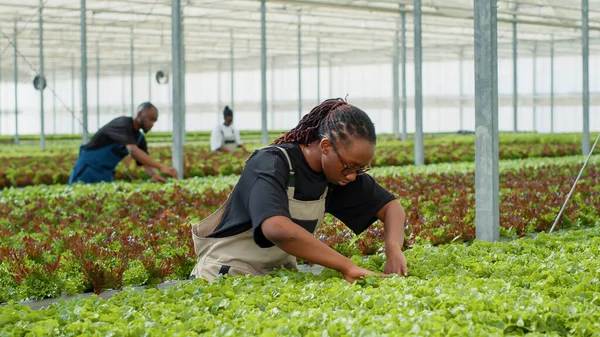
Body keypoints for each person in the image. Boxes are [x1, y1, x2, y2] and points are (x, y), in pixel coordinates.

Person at [190, 98, 407, 283]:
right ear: (325, 146)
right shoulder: (270, 163)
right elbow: (276, 228)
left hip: (274, 280)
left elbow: (391, 208)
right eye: (349, 166)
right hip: (224, 277)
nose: (352, 176)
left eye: (360, 169)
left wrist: (393, 248)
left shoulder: (335, 176)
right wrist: (347, 267)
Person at [68, 102, 178, 185]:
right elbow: (133, 151)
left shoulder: (139, 138)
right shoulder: (123, 124)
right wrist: (162, 167)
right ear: (140, 114)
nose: (152, 124)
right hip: (88, 168)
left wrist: (154, 174)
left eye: (155, 121)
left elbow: (144, 162)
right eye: (151, 119)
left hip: (106, 173)